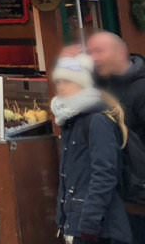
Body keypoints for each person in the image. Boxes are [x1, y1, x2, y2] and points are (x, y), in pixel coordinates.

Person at [51, 53, 133, 244]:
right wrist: (63, 220)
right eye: (59, 81)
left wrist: (88, 224)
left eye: (67, 81)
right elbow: (70, 177)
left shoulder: (96, 121)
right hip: (78, 223)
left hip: (98, 229)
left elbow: (104, 174)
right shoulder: (71, 121)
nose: (61, 87)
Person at [87, 31, 145, 239]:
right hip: (116, 197)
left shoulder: (141, 89)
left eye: (99, 51)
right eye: (90, 52)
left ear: (121, 52)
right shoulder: (98, 86)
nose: (93, 57)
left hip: (138, 200)